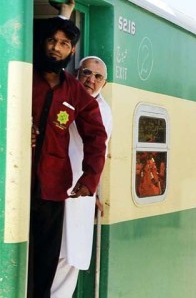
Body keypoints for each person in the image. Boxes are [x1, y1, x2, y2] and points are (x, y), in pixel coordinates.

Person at [29, 0, 107, 296]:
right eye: (51, 40)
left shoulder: (74, 90)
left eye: (63, 43)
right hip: (13, 183)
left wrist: (90, 180)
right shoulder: (26, 76)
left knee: (45, 263)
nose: (56, 48)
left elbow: (97, 136)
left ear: (71, 51)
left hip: (50, 189)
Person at [51, 56, 112, 298]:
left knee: (69, 254)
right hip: (53, 185)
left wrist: (91, 188)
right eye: (87, 73)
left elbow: (99, 153)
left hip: (78, 191)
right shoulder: (66, 98)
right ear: (77, 73)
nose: (91, 80)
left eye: (98, 77)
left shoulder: (102, 112)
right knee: (53, 249)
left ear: (104, 84)